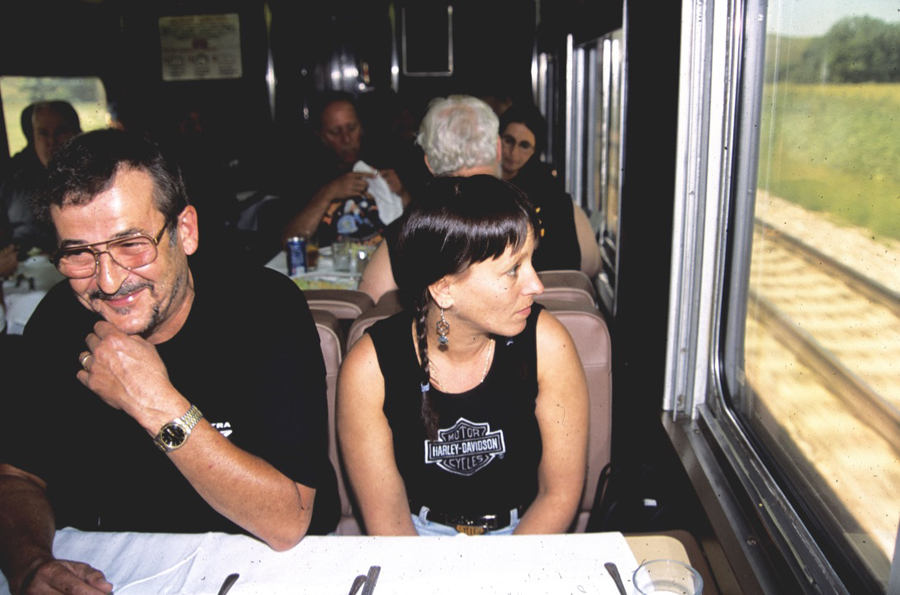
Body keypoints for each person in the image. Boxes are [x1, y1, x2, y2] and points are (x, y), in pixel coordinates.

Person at [0, 130, 339, 595]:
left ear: (185, 231)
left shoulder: (263, 309)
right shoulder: (57, 321)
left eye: (131, 244)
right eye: (79, 253)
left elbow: (288, 519)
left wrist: (155, 404)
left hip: (257, 567)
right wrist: (30, 564)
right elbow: (17, 477)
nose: (109, 280)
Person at [338, 175, 588, 536]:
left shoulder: (548, 344)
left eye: (531, 261)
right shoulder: (370, 368)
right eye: (513, 269)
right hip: (416, 538)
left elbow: (559, 493)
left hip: (524, 537)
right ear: (443, 287)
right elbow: (388, 518)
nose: (536, 285)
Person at [358, 95, 601, 303]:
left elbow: (371, 303)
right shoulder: (560, 206)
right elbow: (589, 268)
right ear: (497, 148)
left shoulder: (407, 231)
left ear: (429, 164)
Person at [278, 92, 414, 247]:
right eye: (335, 132)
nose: (346, 139)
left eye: (352, 128)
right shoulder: (304, 173)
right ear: (320, 135)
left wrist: (402, 193)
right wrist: (328, 193)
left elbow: (421, 229)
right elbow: (289, 240)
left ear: (361, 127)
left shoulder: (386, 158)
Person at [0, 101, 82, 255]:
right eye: (43, 133)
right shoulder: (11, 180)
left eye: (61, 131)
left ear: (76, 133)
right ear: (33, 137)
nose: (52, 141)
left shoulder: (95, 178)